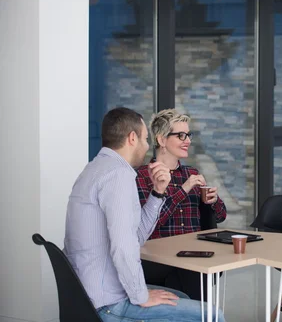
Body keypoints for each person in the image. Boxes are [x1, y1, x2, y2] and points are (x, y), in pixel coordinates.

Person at [64, 107, 225, 321]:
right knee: (212, 314)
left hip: (86, 295)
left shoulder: (94, 169)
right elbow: (123, 247)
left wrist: (158, 193)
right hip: (108, 303)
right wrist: (141, 295)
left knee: (181, 297)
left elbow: (136, 235)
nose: (147, 146)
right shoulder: (119, 176)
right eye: (145, 139)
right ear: (132, 138)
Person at [136, 109, 227, 301]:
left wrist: (213, 201)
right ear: (161, 140)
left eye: (189, 135)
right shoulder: (143, 176)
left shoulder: (192, 173)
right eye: (181, 135)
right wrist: (183, 190)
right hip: (159, 258)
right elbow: (151, 223)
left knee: (201, 270)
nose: (188, 141)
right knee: (191, 276)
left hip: (194, 255)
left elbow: (220, 216)